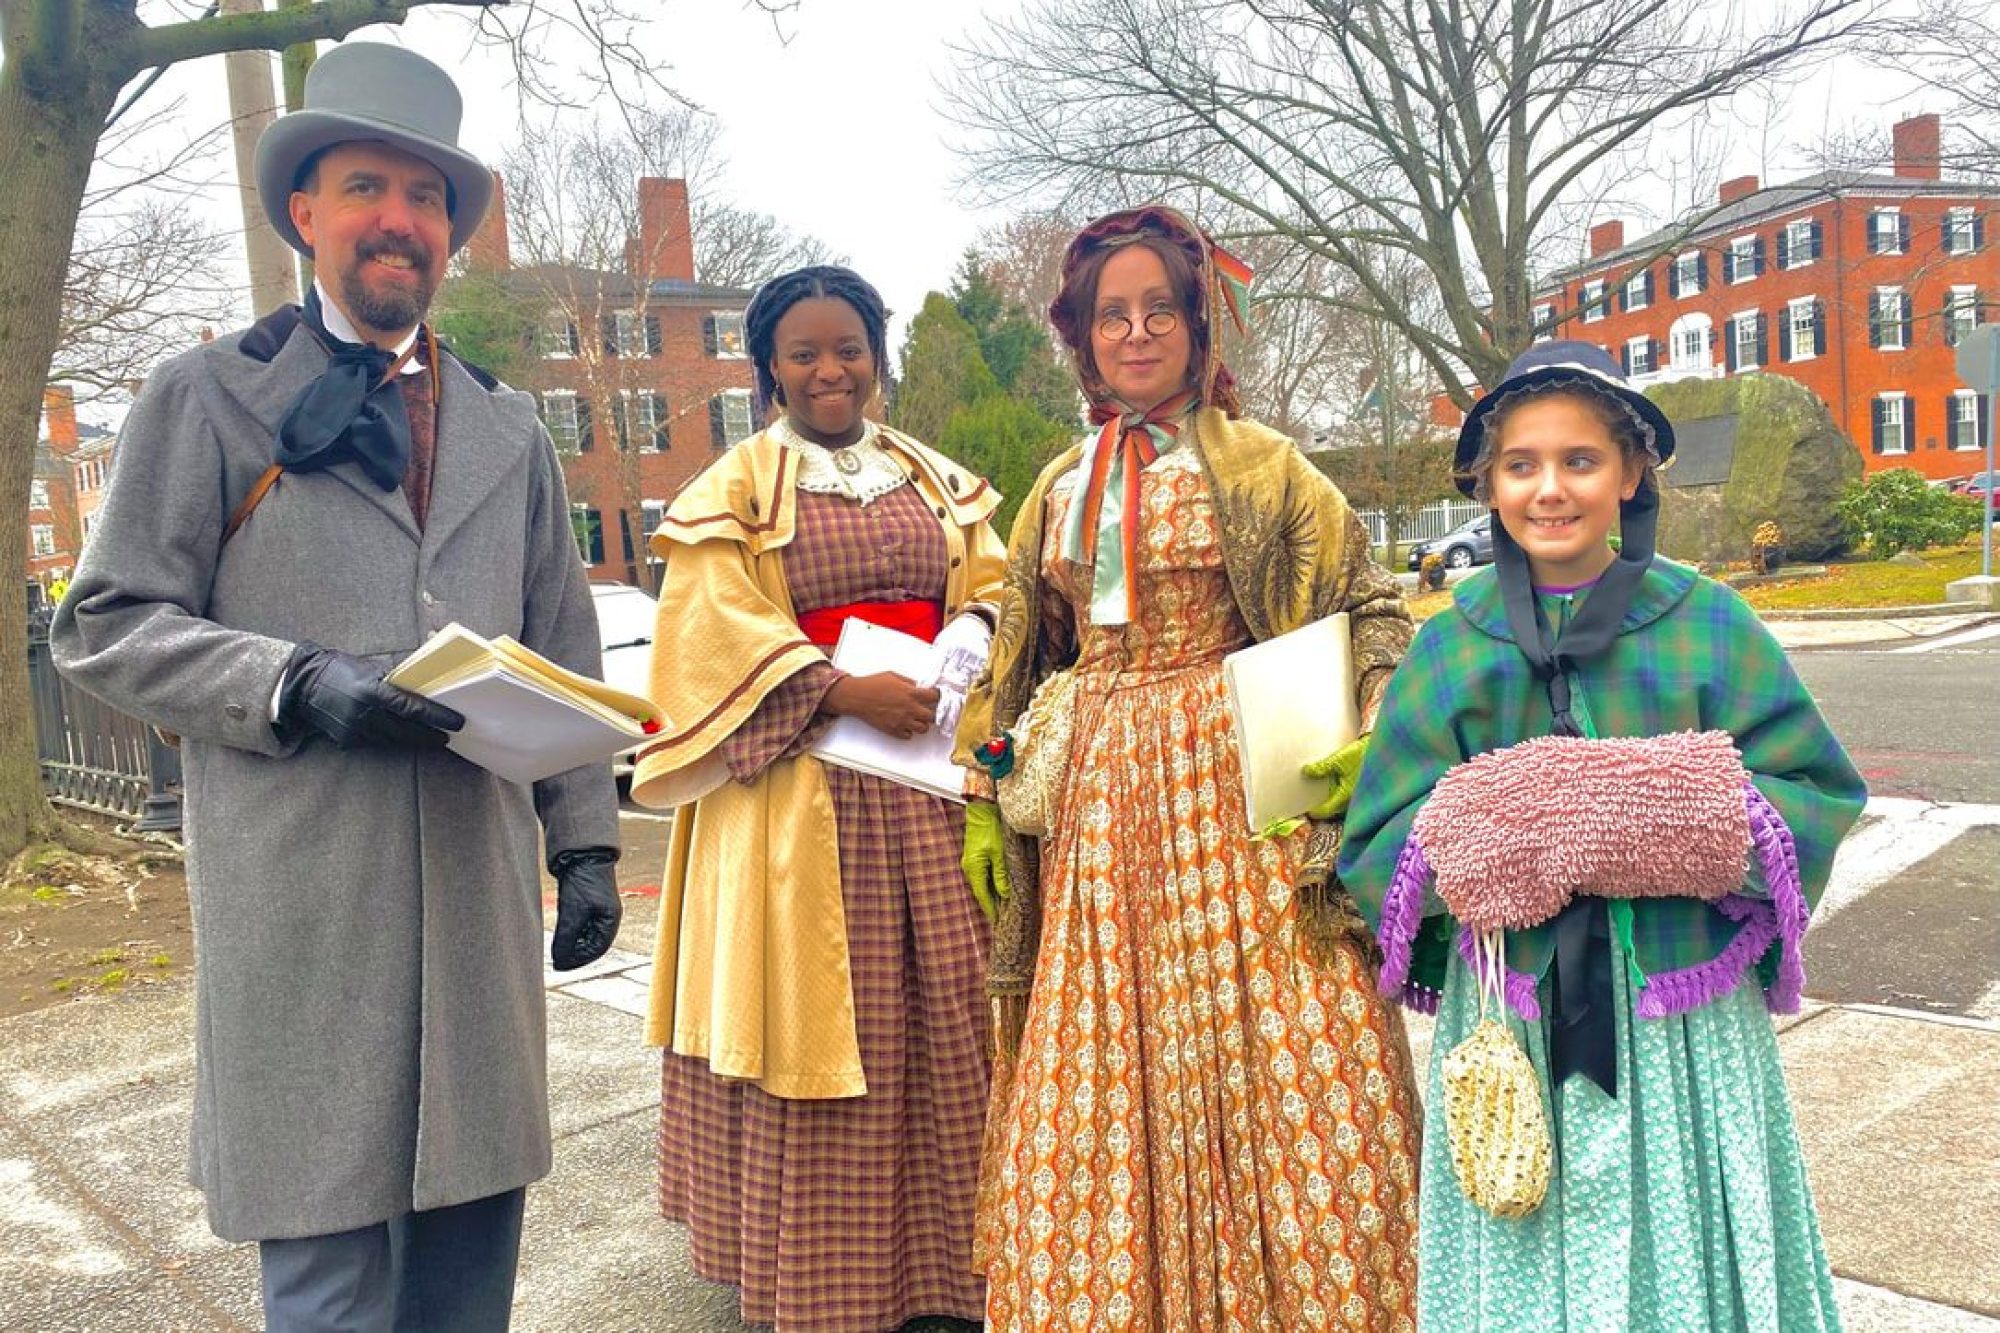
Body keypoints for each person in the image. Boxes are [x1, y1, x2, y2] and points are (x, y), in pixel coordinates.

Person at [50, 43, 622, 1330]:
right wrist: (291, 682)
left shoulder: (510, 426)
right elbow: (103, 624)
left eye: (426, 200)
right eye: (367, 187)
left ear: (449, 237)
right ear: (304, 211)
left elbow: (560, 639)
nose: (397, 222)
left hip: (476, 907)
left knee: (471, 1271)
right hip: (305, 904)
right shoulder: (203, 398)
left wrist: (584, 843)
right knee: (327, 1277)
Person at [955, 205, 1423, 1331]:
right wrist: (982, 787)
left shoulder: (1265, 467)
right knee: (1107, 1059)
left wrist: (1373, 721)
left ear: (1195, 320)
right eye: (1110, 315)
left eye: (1156, 308)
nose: (1134, 333)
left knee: (1285, 1046)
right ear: (1081, 336)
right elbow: (1024, 642)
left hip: (1244, 775)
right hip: (1106, 810)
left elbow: (1371, 606)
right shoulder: (1059, 485)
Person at [1337, 341, 1867, 1331]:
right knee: (1528, 1238)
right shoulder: (1451, 646)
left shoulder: (1706, 623)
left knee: (1680, 1245)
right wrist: (1494, 827)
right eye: (1520, 464)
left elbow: (1816, 794)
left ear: (1629, 472)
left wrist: (1647, 812)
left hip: (1676, 1021)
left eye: (1578, 461)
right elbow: (1375, 848)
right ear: (1487, 484)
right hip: (1516, 1022)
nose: (1550, 488)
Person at [630, 265, 1004, 1332]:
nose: (829, 369)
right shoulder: (734, 492)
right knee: (828, 1027)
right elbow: (708, 631)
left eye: (848, 347)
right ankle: (836, 1285)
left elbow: (995, 573)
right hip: (799, 800)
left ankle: (958, 1269)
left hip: (928, 791)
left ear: (876, 359)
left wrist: (973, 626)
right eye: (804, 352)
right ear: (768, 370)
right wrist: (837, 687)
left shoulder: (938, 480)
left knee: (951, 1019)